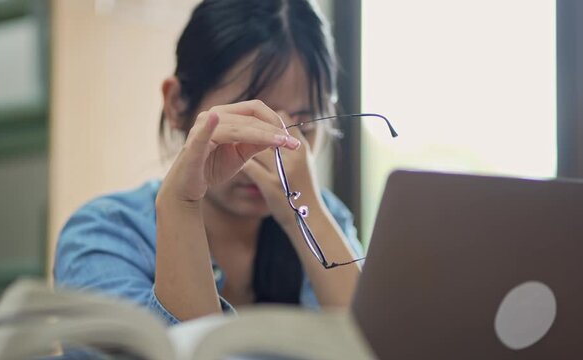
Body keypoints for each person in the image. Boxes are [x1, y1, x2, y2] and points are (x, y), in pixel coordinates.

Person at [54, 0, 363, 326]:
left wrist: (306, 214)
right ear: (176, 104)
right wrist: (180, 205)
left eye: (304, 125)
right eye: (248, 120)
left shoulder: (325, 216)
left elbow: (377, 346)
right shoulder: (104, 236)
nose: (269, 151)